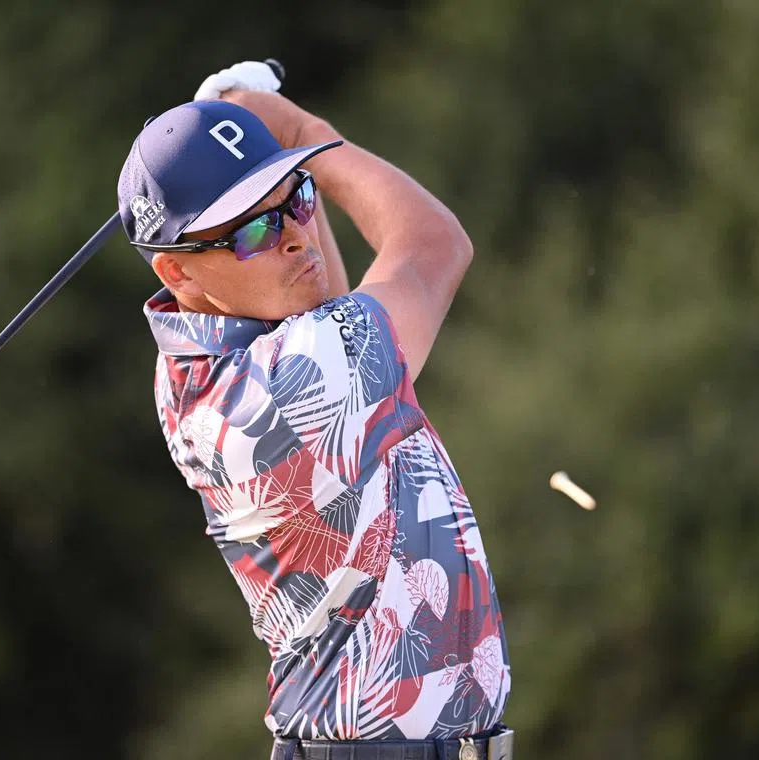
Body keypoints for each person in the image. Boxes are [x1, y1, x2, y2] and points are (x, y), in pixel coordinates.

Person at [117, 62, 514, 760]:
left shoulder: (199, 359)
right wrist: (298, 129)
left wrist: (273, 160)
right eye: (250, 233)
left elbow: (322, 300)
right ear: (176, 272)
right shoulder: (285, 384)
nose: (296, 237)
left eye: (296, 199)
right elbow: (435, 245)